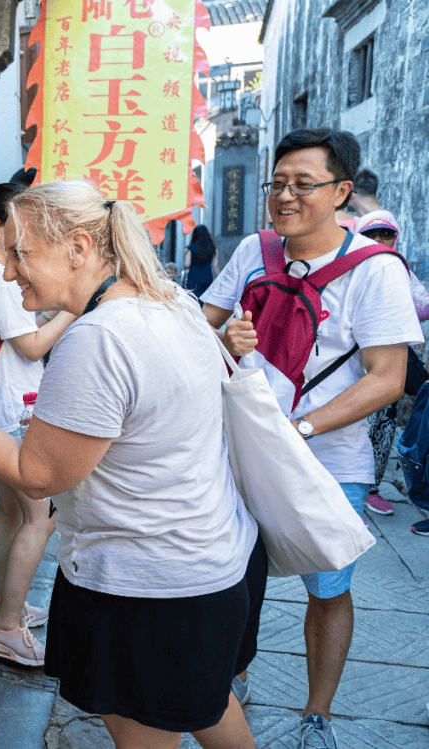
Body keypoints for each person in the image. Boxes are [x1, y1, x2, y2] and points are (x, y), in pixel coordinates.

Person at [0, 180, 265, 749]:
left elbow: (38, 474)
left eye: (21, 253)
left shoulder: (100, 338)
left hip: (149, 586)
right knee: (208, 705)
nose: (9, 272)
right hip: (212, 562)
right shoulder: (173, 302)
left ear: (79, 248)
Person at [202, 128, 422, 749]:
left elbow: (388, 379)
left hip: (329, 458)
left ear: (341, 191)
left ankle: (316, 714)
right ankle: (229, 684)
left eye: (303, 184)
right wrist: (223, 343)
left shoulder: (375, 272)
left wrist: (300, 430)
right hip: (239, 450)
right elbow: (202, 328)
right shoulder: (254, 250)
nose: (284, 196)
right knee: (229, 577)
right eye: (278, 183)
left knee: (329, 587)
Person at [0, 184, 74, 666]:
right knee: (41, 517)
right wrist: (71, 306)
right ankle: (6, 629)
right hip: (14, 412)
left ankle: (4, 603)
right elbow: (30, 346)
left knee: (10, 513)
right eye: (18, 221)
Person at [353, 210, 429, 517]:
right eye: (373, 234)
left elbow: (423, 303)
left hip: (393, 362)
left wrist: (399, 300)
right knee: (360, 425)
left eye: (386, 234)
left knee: (385, 428)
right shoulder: (351, 266)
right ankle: (350, 494)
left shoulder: (401, 269)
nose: (380, 240)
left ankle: (371, 490)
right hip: (358, 364)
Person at [183, 225, 220, 297]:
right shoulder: (213, 249)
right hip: (207, 277)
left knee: (193, 300)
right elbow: (215, 265)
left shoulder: (189, 249)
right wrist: (219, 278)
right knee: (205, 299)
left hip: (193, 278)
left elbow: (187, 264)